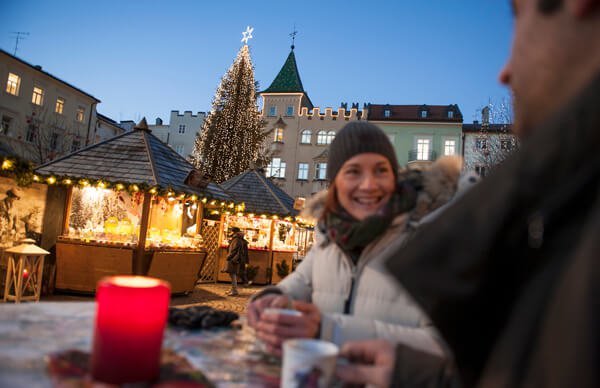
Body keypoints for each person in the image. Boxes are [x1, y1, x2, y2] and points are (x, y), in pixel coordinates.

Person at [337, 0, 600, 386]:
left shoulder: (436, 227)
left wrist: (331, 329)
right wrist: (418, 374)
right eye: (351, 172)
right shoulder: (564, 205)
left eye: (515, 14)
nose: (504, 72)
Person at [247, 121, 464, 362]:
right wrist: (274, 297)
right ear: (335, 183)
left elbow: (449, 343)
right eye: (353, 171)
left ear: (394, 176)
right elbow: (303, 280)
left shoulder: (429, 236)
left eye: (381, 170)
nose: (369, 185)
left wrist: (330, 331)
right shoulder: (329, 233)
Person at [225, 227, 248, 296]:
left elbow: (234, 250)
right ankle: (233, 289)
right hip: (235, 259)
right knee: (232, 274)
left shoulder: (236, 239)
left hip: (233, 259)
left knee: (233, 274)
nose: (230, 233)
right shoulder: (238, 239)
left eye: (231, 231)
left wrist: (229, 256)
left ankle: (234, 290)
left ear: (234, 232)